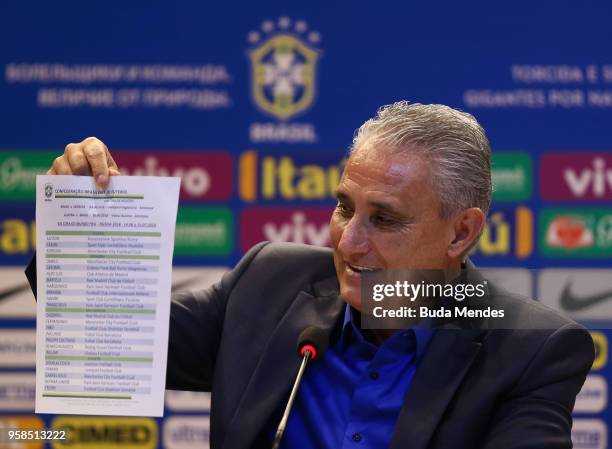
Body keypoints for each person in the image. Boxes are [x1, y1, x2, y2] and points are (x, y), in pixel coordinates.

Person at [27, 101, 594, 449]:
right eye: (345, 207)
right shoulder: (268, 284)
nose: (348, 243)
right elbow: (114, 340)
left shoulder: (529, 348)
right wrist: (75, 218)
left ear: (461, 233)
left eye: (385, 219)